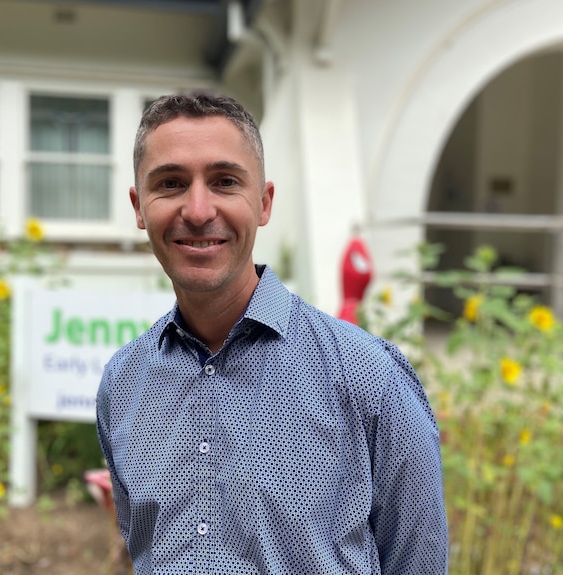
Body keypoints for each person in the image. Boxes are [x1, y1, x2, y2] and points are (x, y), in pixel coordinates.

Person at [96, 91, 448, 574]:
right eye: (171, 183)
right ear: (139, 208)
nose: (198, 210)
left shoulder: (371, 378)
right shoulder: (123, 385)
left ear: (263, 203)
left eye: (224, 182)